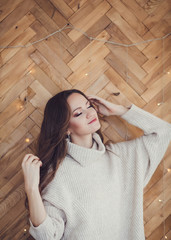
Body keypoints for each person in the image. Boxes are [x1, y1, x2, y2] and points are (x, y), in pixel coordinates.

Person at [22, 89, 171, 240]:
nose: (90, 113)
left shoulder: (120, 157)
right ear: (66, 128)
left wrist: (120, 110)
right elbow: (48, 236)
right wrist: (32, 189)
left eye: (89, 106)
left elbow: (164, 132)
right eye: (78, 113)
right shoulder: (57, 175)